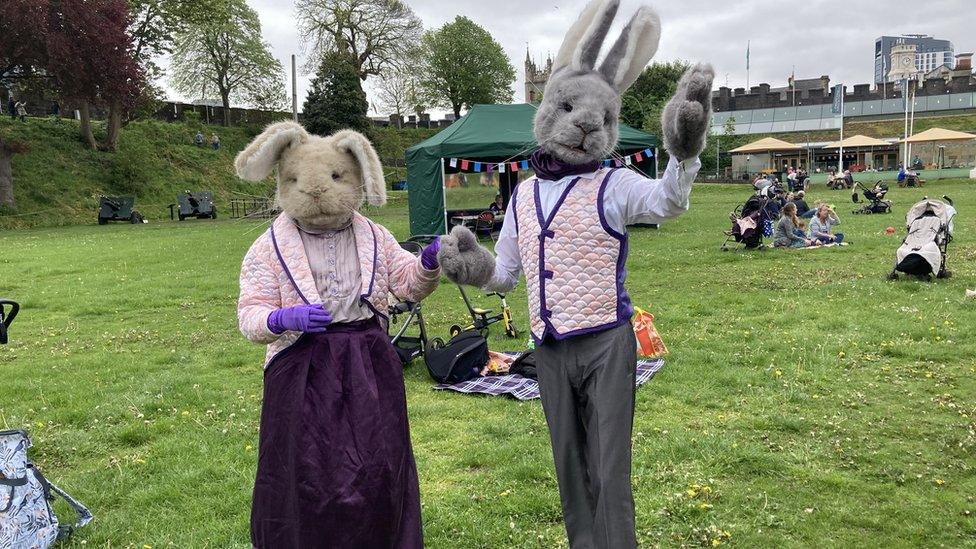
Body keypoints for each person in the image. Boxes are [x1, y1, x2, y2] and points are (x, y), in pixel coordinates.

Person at [437, 7, 714, 546]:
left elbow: (669, 202)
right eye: (570, 108)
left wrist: (683, 152)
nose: (587, 124)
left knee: (609, 471)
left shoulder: (614, 184)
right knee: (568, 467)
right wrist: (475, 268)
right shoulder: (521, 194)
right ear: (547, 111)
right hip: (550, 349)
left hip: (608, 344)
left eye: (602, 119)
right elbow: (508, 273)